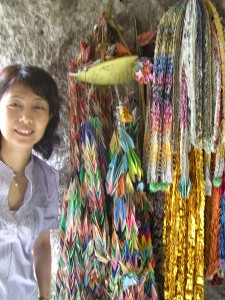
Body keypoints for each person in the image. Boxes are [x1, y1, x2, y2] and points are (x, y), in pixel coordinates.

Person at [0, 64, 61, 300]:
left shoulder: (47, 178)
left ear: (49, 117)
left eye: (38, 106)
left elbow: (43, 243)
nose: (26, 117)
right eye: (15, 104)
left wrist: (45, 296)